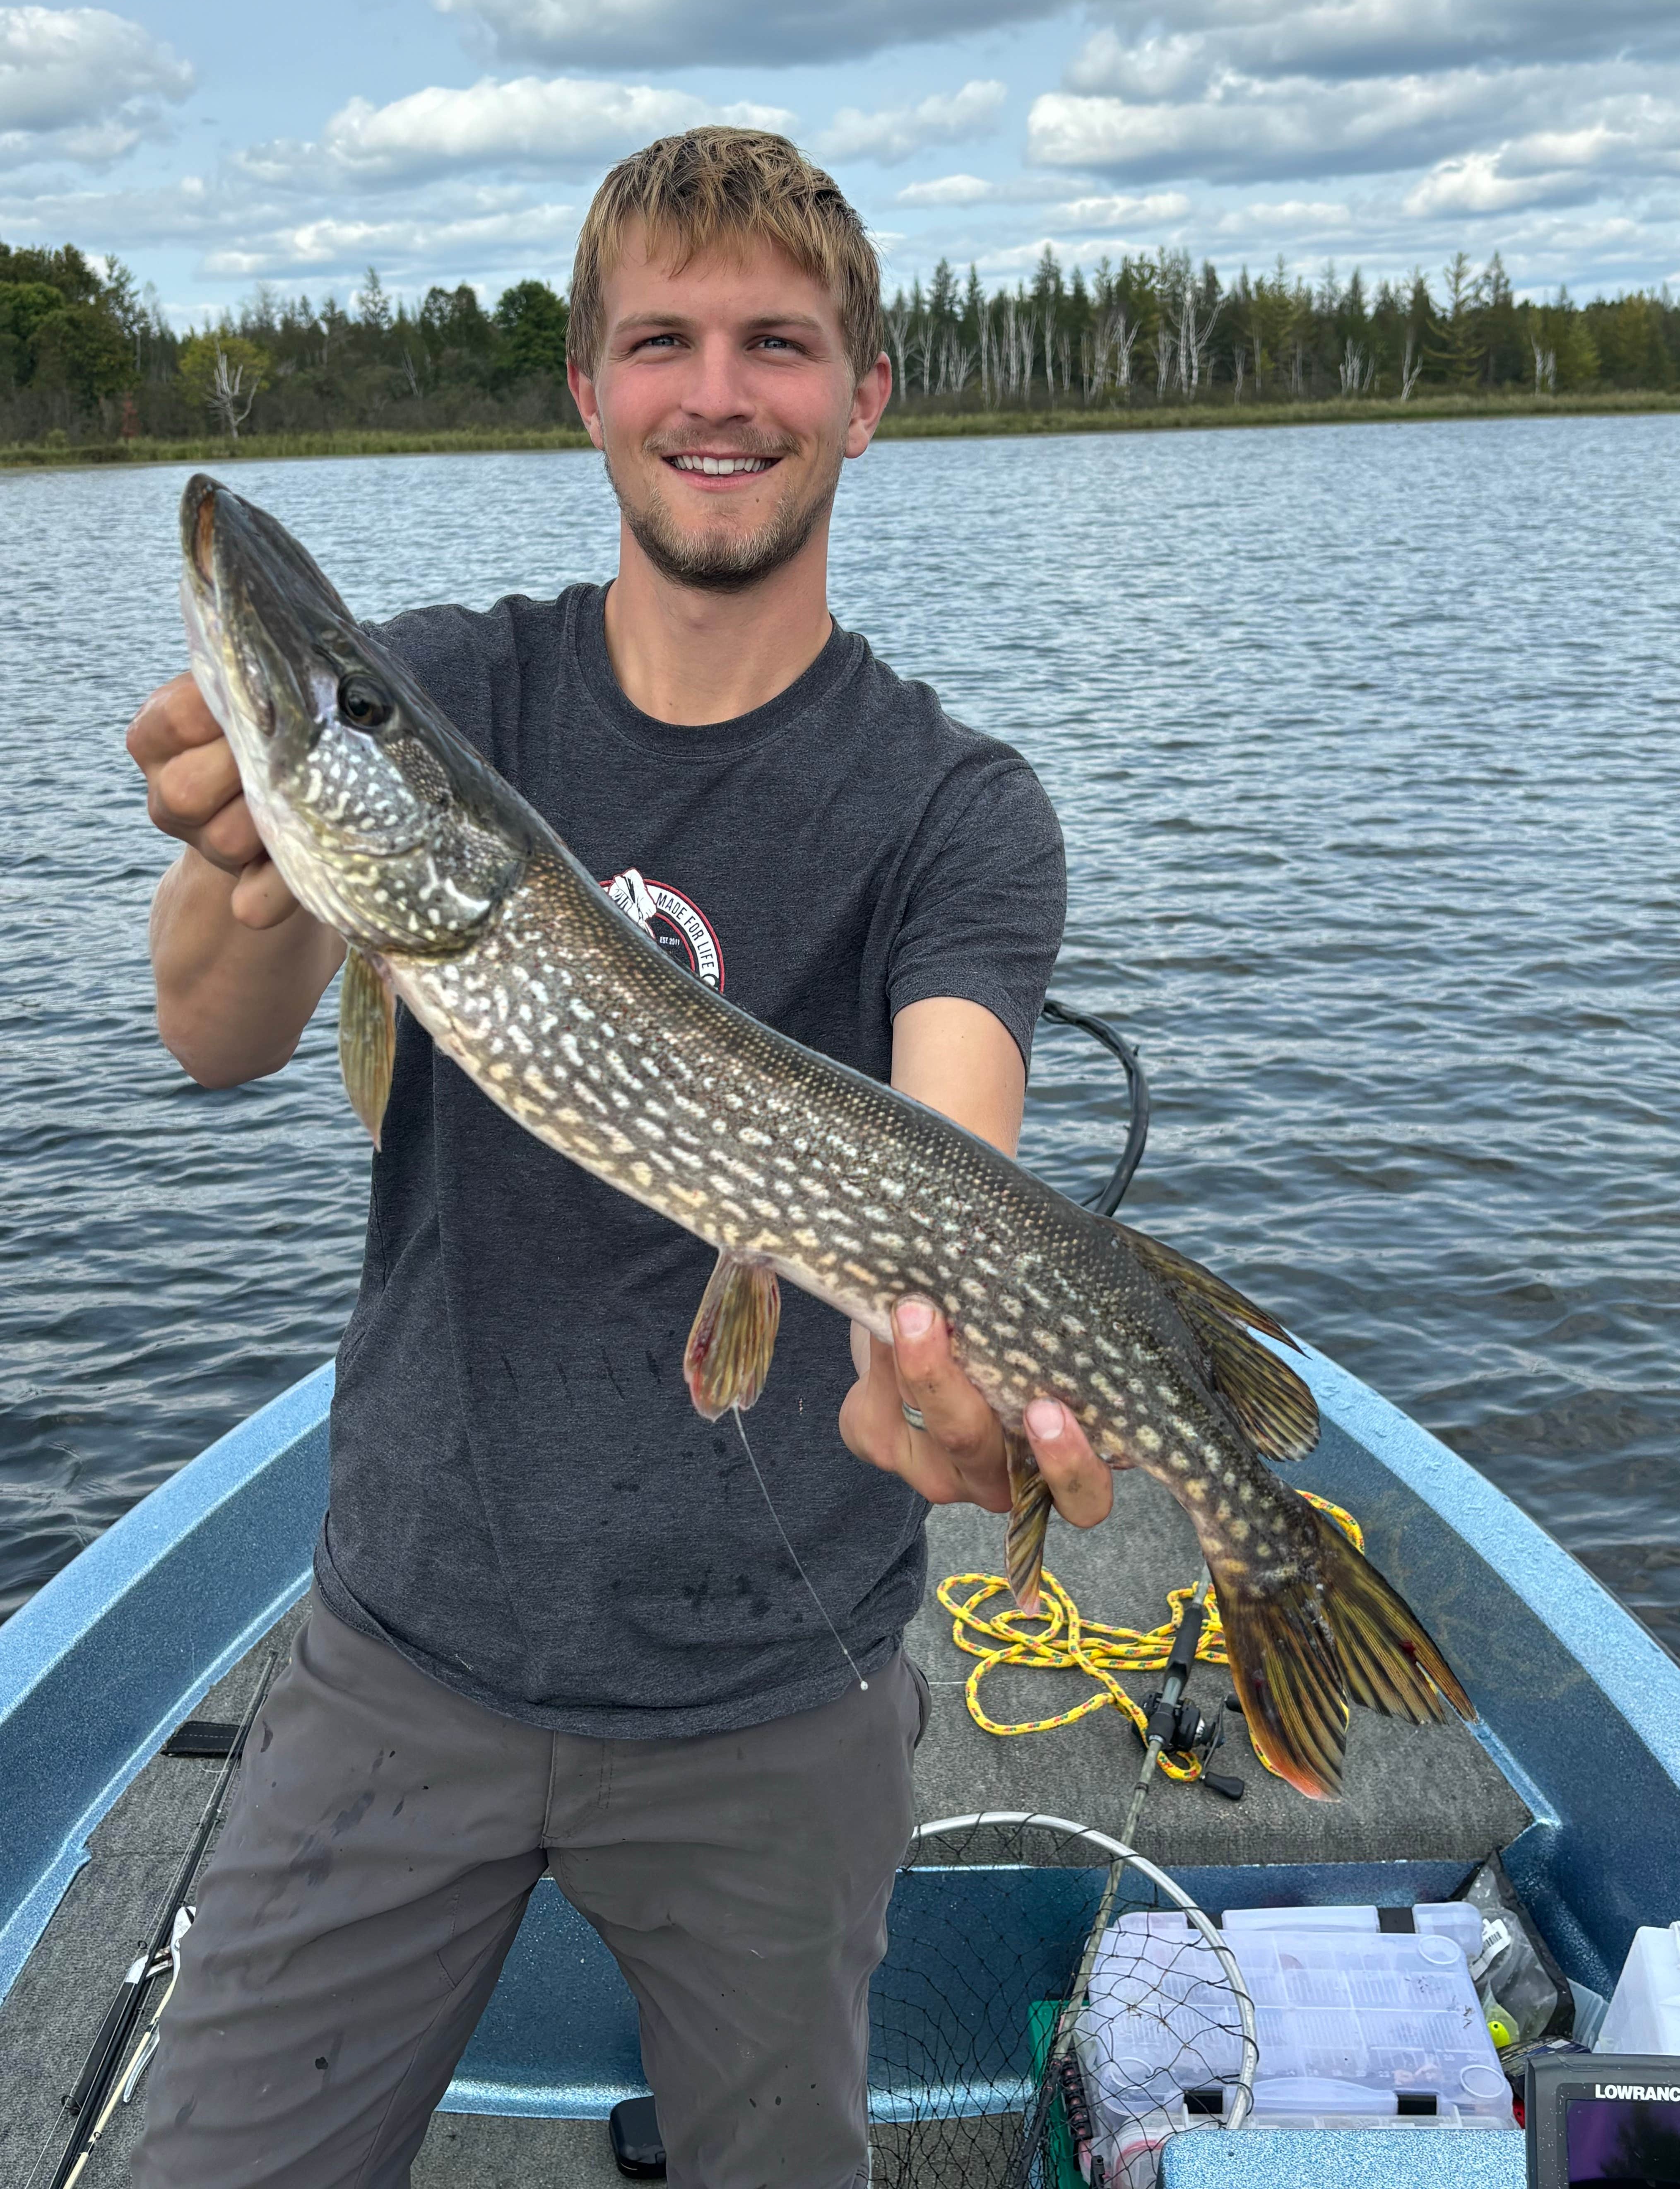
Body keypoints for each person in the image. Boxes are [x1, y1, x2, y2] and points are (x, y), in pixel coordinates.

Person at [125, 127, 1114, 2189]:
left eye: (777, 343)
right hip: (403, 1645)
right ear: (587, 389)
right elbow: (213, 1041)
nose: (715, 393)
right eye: (660, 340)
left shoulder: (958, 806)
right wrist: (251, 847)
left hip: (775, 1693)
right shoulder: (445, 691)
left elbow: (947, 1135)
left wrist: (933, 1360)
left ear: (866, 395)